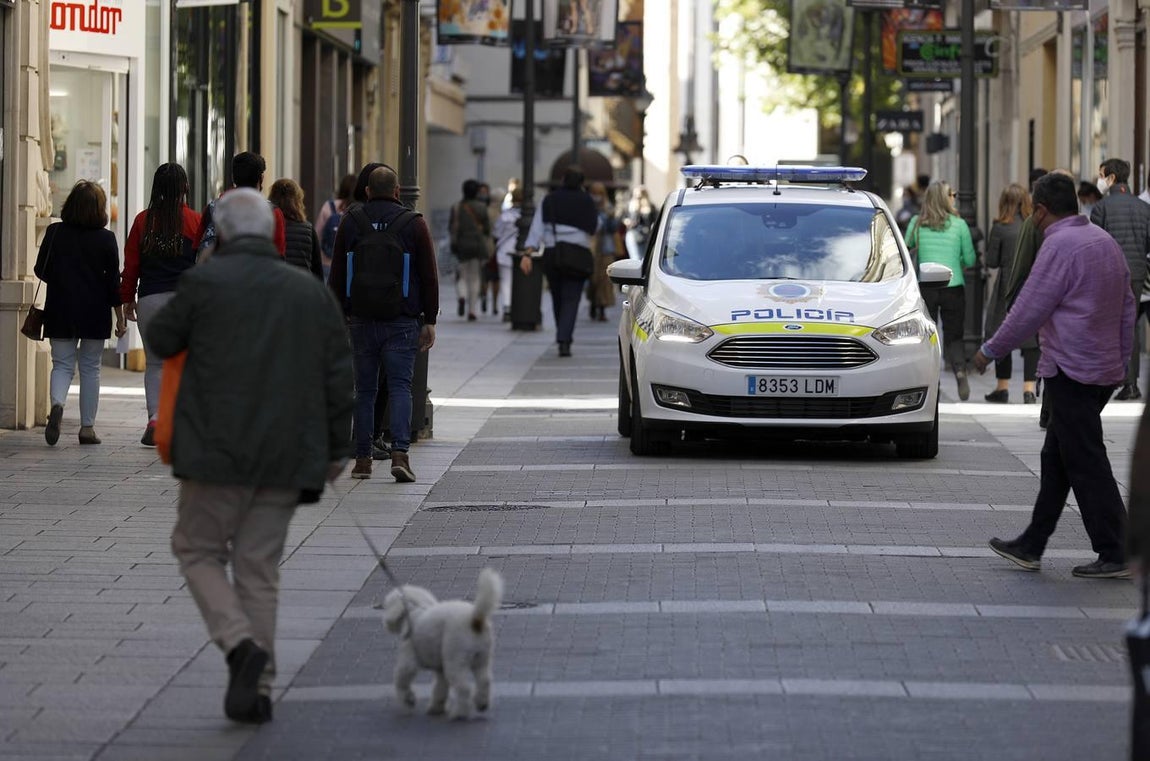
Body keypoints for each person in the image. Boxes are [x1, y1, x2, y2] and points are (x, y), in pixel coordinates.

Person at [145, 188, 354, 724]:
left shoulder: (205, 281)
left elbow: (162, 339)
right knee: (258, 569)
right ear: (270, 233)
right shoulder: (307, 292)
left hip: (214, 451)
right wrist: (336, 449)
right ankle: (256, 689)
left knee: (196, 549)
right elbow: (338, 376)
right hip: (285, 455)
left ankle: (241, 646)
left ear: (226, 233)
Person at [975, 172, 1135, 580]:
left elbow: (1030, 307)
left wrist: (990, 350)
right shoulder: (1103, 242)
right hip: (1099, 369)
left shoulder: (1059, 245)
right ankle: (1032, 543)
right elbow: (1128, 306)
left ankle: (1116, 549)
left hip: (1071, 369)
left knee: (1085, 460)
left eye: (1035, 213)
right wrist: (1121, 361)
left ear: (1042, 210)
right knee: (1057, 458)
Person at [328, 166, 438, 481]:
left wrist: (339, 313)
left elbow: (337, 273)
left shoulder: (351, 221)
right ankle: (399, 453)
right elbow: (429, 275)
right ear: (398, 191)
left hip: (360, 318)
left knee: (363, 389)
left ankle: (362, 460)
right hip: (402, 319)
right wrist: (429, 319)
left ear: (366, 191)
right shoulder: (413, 224)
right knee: (401, 386)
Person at [35, 180, 124, 447]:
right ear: (100, 209)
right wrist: (120, 317)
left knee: (61, 365)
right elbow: (113, 285)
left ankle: (58, 405)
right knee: (90, 368)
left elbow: (41, 270)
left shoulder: (54, 233)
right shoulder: (106, 239)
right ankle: (87, 428)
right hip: (94, 313)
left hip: (60, 309)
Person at [119, 164, 202, 446]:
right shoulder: (195, 221)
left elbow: (131, 265)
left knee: (155, 364)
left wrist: (127, 299)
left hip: (150, 301)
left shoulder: (143, 221)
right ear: (184, 189)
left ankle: (155, 418)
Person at [905, 181, 977, 400]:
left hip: (926, 287)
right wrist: (958, 262)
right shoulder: (959, 225)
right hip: (953, 287)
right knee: (954, 336)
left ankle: (928, 378)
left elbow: (905, 249)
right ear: (946, 199)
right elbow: (971, 258)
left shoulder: (917, 223)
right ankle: (960, 371)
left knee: (927, 335)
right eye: (952, 194)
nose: (955, 197)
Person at [521, 165, 599, 357]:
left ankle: (562, 335)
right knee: (572, 299)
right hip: (578, 254)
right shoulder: (587, 201)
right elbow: (594, 227)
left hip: (552, 253)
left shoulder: (550, 200)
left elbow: (537, 227)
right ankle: (565, 339)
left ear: (563, 181)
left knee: (557, 296)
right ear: (582, 183)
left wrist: (528, 252)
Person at [1090, 158, 1150, 401]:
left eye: (1102, 174)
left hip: (1109, 274)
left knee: (1108, 326)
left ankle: (1111, 378)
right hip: (1137, 273)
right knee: (1131, 325)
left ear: (1112, 178)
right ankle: (1131, 383)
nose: (1100, 180)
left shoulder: (1101, 207)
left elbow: (1093, 244)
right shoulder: (1144, 208)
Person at [982, 182, 1037, 405]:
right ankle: (1029, 389)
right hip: (1032, 285)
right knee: (1032, 339)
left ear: (1004, 203)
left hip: (1006, 285)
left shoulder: (1000, 227)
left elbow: (992, 262)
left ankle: (1002, 387)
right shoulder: (1034, 226)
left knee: (1001, 333)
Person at [194, 151, 287, 260]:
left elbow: (196, 247)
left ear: (233, 177)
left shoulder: (213, 208)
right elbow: (279, 255)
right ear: (261, 178)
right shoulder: (273, 212)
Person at [449, 179, 491, 321]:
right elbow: (487, 228)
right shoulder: (482, 207)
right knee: (475, 277)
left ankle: (462, 296)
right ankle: (472, 310)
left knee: (462, 274)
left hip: (462, 244)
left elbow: (452, 227)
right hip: (478, 245)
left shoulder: (456, 207)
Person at [268, 178, 324, 279]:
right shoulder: (308, 230)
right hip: (302, 288)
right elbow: (317, 271)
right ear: (298, 202)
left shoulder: (269, 228)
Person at [587, 181, 623, 322]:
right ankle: (593, 302)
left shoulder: (608, 208)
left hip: (606, 247)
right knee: (593, 278)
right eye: (594, 193)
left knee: (604, 279)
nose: (597, 196)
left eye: (599, 193)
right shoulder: (588, 207)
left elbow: (613, 228)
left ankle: (602, 307)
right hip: (591, 247)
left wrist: (610, 217)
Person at [314, 173, 357, 281]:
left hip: (327, 263)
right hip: (351, 265)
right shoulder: (359, 210)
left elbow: (317, 235)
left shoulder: (329, 206)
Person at [492, 186, 524, 320]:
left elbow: (496, 233)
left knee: (506, 281)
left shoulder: (505, 216)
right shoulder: (528, 214)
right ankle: (520, 306)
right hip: (522, 252)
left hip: (505, 251)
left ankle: (507, 307)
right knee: (521, 281)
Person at [623, 186, 657, 261]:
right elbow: (624, 218)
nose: (638, 198)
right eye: (636, 196)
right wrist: (628, 221)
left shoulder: (651, 207)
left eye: (640, 196)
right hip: (633, 234)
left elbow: (653, 221)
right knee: (636, 259)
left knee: (646, 259)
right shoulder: (630, 206)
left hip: (646, 235)